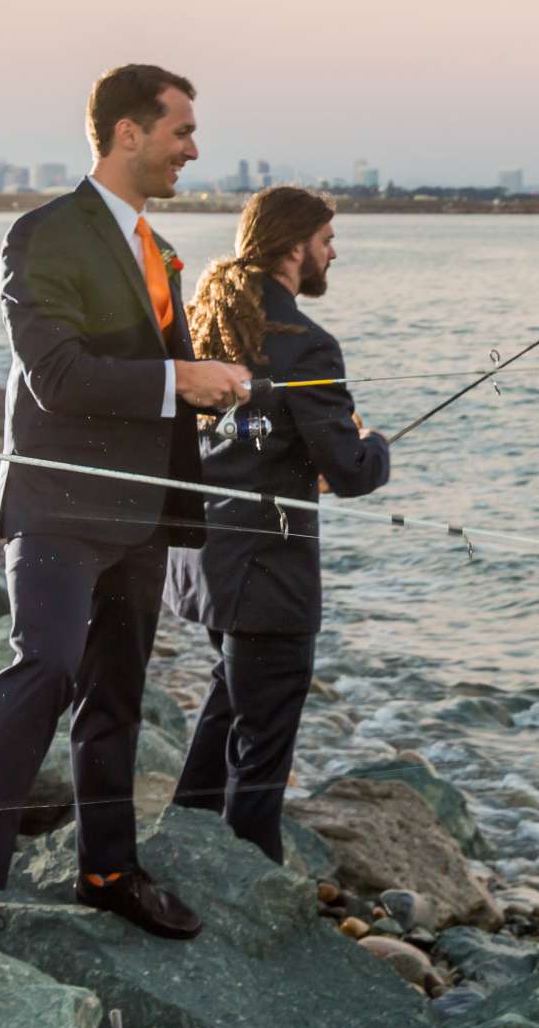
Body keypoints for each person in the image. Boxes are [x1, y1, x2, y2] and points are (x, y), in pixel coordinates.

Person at [0, 64, 252, 963]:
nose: (194, 148)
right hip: (60, 504)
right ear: (125, 133)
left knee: (114, 699)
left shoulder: (160, 250)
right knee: (41, 674)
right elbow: (57, 374)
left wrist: (208, 394)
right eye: (181, 131)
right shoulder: (43, 234)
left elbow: (155, 381)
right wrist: (177, 380)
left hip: (145, 511)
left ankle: (108, 872)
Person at [166, 188, 388, 861]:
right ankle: (252, 881)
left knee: (231, 698)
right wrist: (373, 443)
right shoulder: (306, 347)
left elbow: (239, 438)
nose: (332, 252)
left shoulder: (204, 320)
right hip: (269, 572)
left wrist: (302, 458)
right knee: (263, 748)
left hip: (205, 558)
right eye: (326, 240)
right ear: (294, 248)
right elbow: (349, 470)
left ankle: (185, 836)